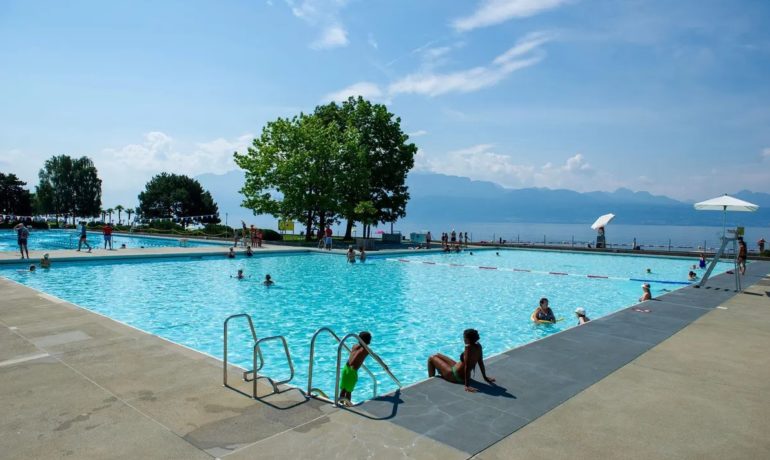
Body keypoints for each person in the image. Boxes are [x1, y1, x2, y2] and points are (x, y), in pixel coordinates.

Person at [427, 329, 494, 393]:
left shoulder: (468, 348)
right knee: (437, 355)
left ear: (468, 339)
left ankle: (430, 382)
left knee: (431, 358)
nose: (463, 339)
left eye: (464, 337)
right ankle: (441, 373)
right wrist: (485, 377)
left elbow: (467, 367)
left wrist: (467, 385)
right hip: (456, 369)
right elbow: (480, 362)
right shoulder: (478, 346)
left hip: (454, 376)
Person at [339, 331, 373, 406]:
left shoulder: (354, 346)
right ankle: (348, 406)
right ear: (368, 341)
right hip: (352, 371)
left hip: (345, 368)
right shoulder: (366, 350)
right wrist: (384, 365)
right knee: (348, 391)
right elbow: (375, 356)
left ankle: (340, 404)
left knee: (343, 389)